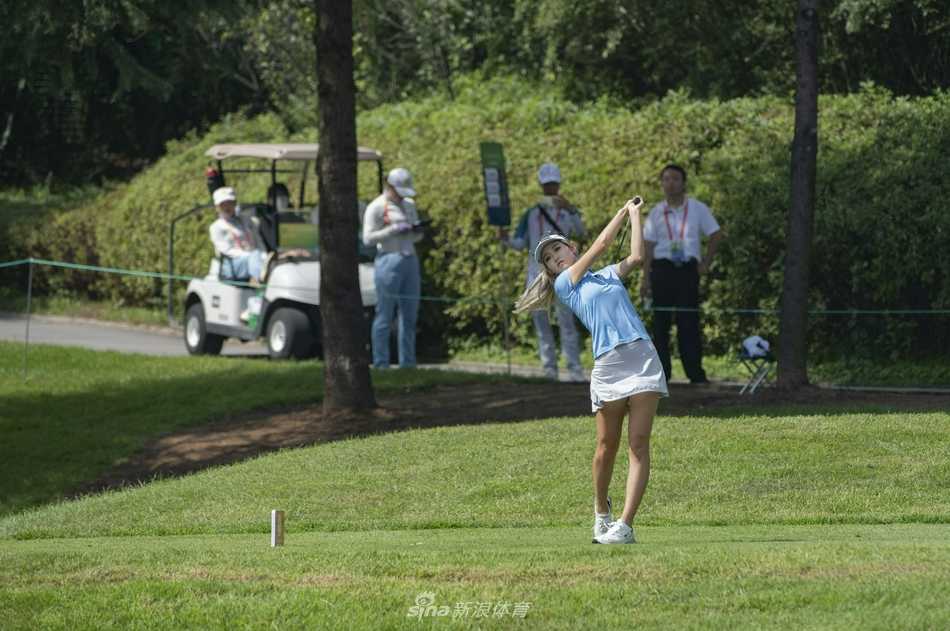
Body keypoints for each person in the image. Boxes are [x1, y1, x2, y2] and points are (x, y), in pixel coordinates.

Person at [515, 196, 668, 545]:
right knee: (605, 446)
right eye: (551, 261)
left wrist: (636, 215)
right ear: (552, 271)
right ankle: (602, 512)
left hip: (642, 357)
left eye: (558, 251)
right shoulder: (566, 285)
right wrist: (620, 212)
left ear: (571, 247)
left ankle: (625, 525)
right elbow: (601, 244)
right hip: (609, 366)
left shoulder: (608, 276)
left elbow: (637, 257)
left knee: (639, 445)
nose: (557, 259)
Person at [498, 163, 587, 381]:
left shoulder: (568, 210)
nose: (550, 188)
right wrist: (505, 239)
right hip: (536, 275)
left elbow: (582, 232)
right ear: (541, 185)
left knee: (567, 322)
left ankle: (574, 369)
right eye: (547, 184)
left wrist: (571, 209)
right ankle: (549, 369)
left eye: (554, 184)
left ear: (559, 184)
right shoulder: (531, 213)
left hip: (564, 274)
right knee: (541, 322)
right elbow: (520, 243)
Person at [640, 164, 724, 384]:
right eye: (666, 179)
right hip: (662, 269)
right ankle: (661, 375)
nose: (670, 183)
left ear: (683, 182)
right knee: (661, 325)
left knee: (689, 322)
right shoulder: (656, 212)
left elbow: (715, 234)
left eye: (675, 179)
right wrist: (645, 278)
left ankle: (695, 373)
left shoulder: (697, 208)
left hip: (687, 270)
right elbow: (648, 247)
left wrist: (705, 262)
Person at [362, 167, 424, 369]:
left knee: (410, 315)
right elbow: (368, 238)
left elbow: (417, 236)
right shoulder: (376, 207)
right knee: (385, 314)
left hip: (410, 258)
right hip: (388, 259)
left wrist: (416, 230)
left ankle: (408, 363)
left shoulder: (410, 205)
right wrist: (391, 230)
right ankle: (381, 363)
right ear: (390, 186)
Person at [209, 186, 273, 283]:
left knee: (262, 257)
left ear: (235, 204)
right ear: (217, 207)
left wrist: (263, 255)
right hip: (233, 264)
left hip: (254, 258)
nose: (227, 207)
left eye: (230, 203)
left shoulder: (247, 220)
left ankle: (263, 273)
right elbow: (227, 250)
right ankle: (261, 280)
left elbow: (258, 240)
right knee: (255, 256)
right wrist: (251, 255)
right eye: (223, 204)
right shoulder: (216, 227)